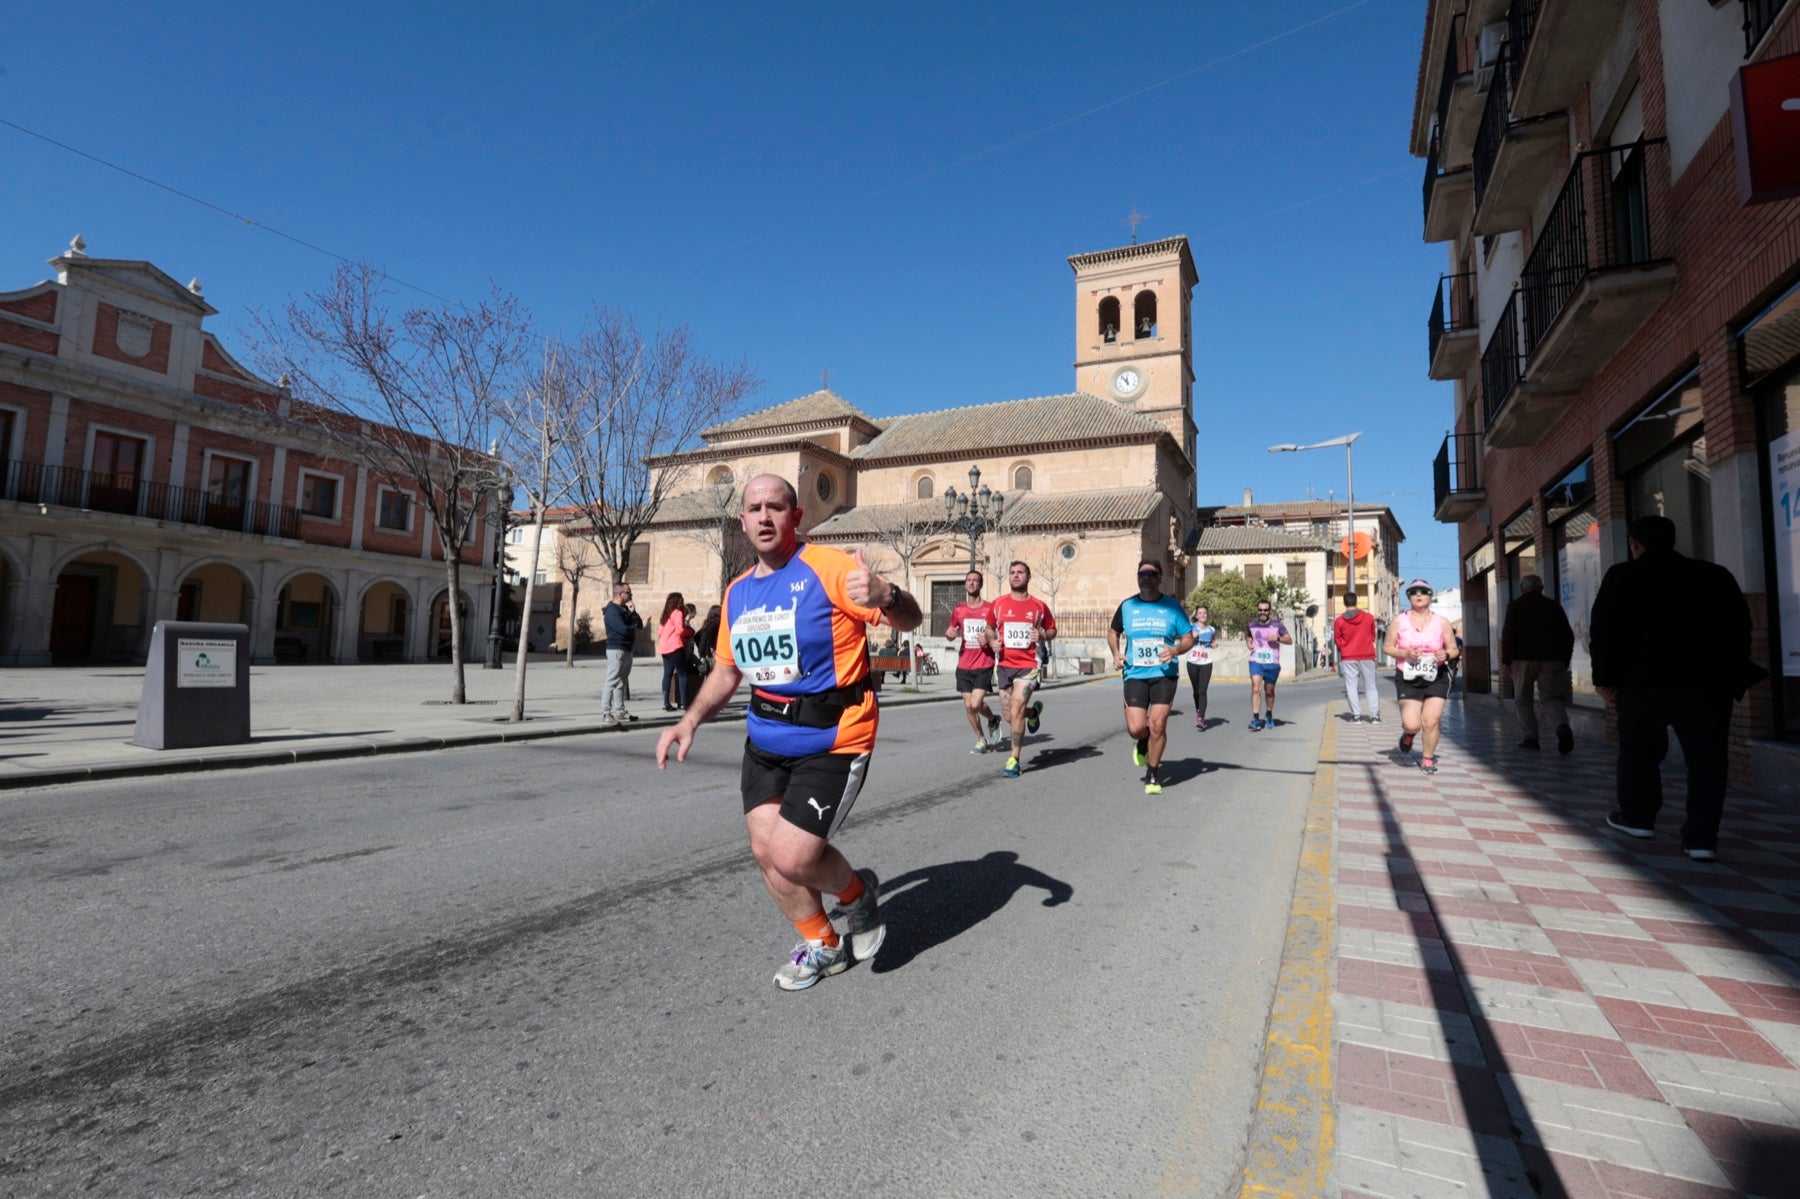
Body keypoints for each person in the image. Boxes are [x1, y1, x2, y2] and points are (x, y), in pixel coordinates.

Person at [656, 473, 923, 990]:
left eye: (775, 507)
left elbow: (907, 620)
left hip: (833, 737)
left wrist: (888, 593)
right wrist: (688, 720)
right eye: (753, 508)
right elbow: (728, 671)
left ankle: (857, 896)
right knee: (766, 854)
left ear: (795, 516)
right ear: (741, 522)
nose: (763, 517)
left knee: (793, 855)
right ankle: (823, 944)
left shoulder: (830, 568)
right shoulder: (737, 593)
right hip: (765, 742)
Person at [1593, 515, 1758, 862]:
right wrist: (1731, 672)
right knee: (1708, 759)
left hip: (1641, 684)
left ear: (1635, 543)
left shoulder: (1623, 576)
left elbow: (1604, 632)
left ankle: (1638, 818)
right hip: (1706, 685)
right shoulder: (1713, 575)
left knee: (1639, 750)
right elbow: (1740, 628)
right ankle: (1701, 838)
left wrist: (1604, 679)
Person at [1108, 560, 1195, 794]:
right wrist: (1116, 653)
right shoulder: (1127, 606)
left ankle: (1153, 774)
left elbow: (1188, 637)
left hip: (1164, 674)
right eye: (1142, 574)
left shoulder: (1172, 607)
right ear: (1138, 577)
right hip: (1135, 673)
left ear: (1160, 578)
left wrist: (1176, 650)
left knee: (1158, 724)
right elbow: (1113, 631)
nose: (1146, 577)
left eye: (1151, 574)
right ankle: (1143, 741)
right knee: (1137, 728)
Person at [986, 560, 1056, 778]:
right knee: (1009, 715)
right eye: (1012, 573)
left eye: (1020, 572)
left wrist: (1043, 635)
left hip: (1028, 666)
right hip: (1005, 665)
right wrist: (991, 642)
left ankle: (1013, 759)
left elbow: (1052, 630)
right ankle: (1033, 713)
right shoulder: (998, 604)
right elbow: (989, 628)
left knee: (1016, 710)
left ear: (1028, 577)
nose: (1015, 576)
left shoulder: (1039, 606)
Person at [1383, 579, 1460, 774]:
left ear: (1430, 596)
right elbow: (1387, 647)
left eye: (1424, 591)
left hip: (1436, 676)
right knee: (1412, 723)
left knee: (1431, 721)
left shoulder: (1441, 622)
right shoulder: (1399, 621)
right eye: (1414, 592)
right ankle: (1409, 735)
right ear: (1408, 596)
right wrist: (1405, 654)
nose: (1419, 595)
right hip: (1408, 677)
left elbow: (1453, 649)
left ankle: (1427, 759)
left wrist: (1446, 654)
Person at [1499, 574, 1575, 753]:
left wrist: (1506, 660)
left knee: (1523, 699)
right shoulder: (1554, 606)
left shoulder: (1515, 606)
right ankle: (1562, 727)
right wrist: (1565, 659)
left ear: (1522, 589)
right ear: (1541, 589)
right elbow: (1568, 635)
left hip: (1523, 660)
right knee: (1552, 698)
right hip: (1552, 660)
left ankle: (1531, 738)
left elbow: (1507, 634)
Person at [946, 569, 1004, 753]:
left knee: (975, 704)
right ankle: (980, 738)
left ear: (980, 584)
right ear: (965, 584)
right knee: (968, 705)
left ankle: (993, 719)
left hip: (984, 663)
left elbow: (998, 633)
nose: (972, 583)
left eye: (975, 580)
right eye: (969, 580)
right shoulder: (959, 610)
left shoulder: (989, 609)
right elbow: (951, 631)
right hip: (964, 664)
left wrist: (989, 639)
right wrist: (949, 635)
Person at [1333, 591, 1381, 723]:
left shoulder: (1339, 621)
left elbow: (1337, 639)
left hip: (1348, 656)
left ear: (1344, 602)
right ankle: (1375, 716)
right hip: (1367, 654)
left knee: (1351, 686)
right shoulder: (1368, 618)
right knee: (1371, 686)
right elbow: (1373, 635)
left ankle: (1356, 716)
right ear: (1356, 601)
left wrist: (1345, 647)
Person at [1244, 600, 1293, 730]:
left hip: (1272, 663)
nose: (1263, 612)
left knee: (1269, 691)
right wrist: (1249, 644)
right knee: (1256, 688)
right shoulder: (1252, 625)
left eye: (1265, 610)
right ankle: (1255, 719)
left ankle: (1269, 714)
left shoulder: (1278, 625)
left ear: (1269, 611)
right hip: (1256, 661)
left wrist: (1277, 638)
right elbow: (1249, 638)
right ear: (1257, 611)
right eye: (1260, 610)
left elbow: (1289, 640)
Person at [600, 582, 643, 726]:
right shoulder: (612, 611)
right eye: (629, 593)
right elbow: (623, 630)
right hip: (616, 649)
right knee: (612, 681)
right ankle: (606, 712)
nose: (631, 596)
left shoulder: (625, 609)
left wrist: (633, 612)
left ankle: (620, 711)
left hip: (627, 649)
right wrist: (632, 627)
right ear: (620, 594)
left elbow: (640, 624)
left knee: (621, 682)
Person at [657, 592, 694, 711]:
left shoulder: (665, 615)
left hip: (664, 648)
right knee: (682, 675)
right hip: (675, 647)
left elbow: (660, 633)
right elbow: (680, 630)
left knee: (667, 675)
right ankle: (684, 702)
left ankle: (666, 703)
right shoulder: (678, 613)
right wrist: (690, 632)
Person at [1185, 603, 1219, 730]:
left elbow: (1213, 642)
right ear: (1197, 615)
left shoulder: (1211, 629)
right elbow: (1185, 642)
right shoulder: (1191, 628)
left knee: (1202, 691)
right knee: (1196, 691)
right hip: (1192, 662)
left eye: (1205, 613)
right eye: (1200, 613)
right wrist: (1191, 638)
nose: (1203, 615)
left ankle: (1201, 718)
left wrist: (1215, 644)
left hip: (1206, 662)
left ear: (1207, 615)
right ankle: (1198, 710)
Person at [696, 603, 722, 676]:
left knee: (710, 673)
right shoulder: (717, 622)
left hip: (707, 651)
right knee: (714, 673)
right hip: (713, 651)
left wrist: (701, 648)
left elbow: (697, 636)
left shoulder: (708, 622)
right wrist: (709, 647)